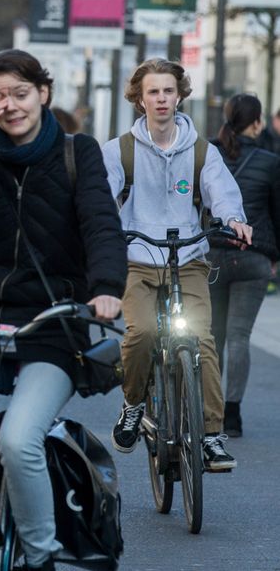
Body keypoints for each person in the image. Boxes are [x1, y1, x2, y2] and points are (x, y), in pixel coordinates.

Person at [0, 49, 126, 571]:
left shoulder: (77, 152)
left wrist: (105, 288)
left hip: (51, 321)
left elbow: (101, 224)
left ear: (43, 94)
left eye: (20, 93)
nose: (10, 105)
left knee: (18, 440)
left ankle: (40, 556)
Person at [102, 58, 251, 471]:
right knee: (144, 332)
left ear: (180, 95)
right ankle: (133, 404)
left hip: (187, 257)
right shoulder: (119, 151)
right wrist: (105, 234)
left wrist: (234, 220)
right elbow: (100, 201)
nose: (162, 98)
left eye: (168, 90)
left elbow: (222, 193)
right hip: (137, 258)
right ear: (140, 99)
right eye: (153, 91)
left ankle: (212, 436)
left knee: (201, 340)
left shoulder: (203, 151)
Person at [208, 94, 280, 437]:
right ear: (257, 122)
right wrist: (274, 257)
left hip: (210, 254)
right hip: (253, 256)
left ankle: (209, 408)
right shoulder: (270, 161)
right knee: (239, 337)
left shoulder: (208, 153)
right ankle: (232, 414)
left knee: (212, 337)